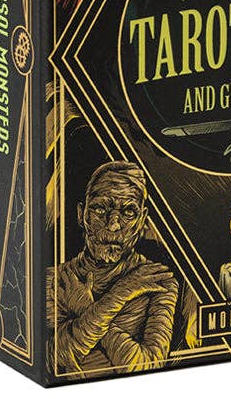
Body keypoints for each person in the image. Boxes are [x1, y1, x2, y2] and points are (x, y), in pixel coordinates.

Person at [53, 161, 178, 376]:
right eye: (100, 209)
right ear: (82, 214)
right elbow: (54, 358)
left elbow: (149, 366)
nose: (113, 225)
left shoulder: (158, 282)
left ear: (142, 220)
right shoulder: (56, 280)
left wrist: (87, 309)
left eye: (128, 211)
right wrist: (118, 296)